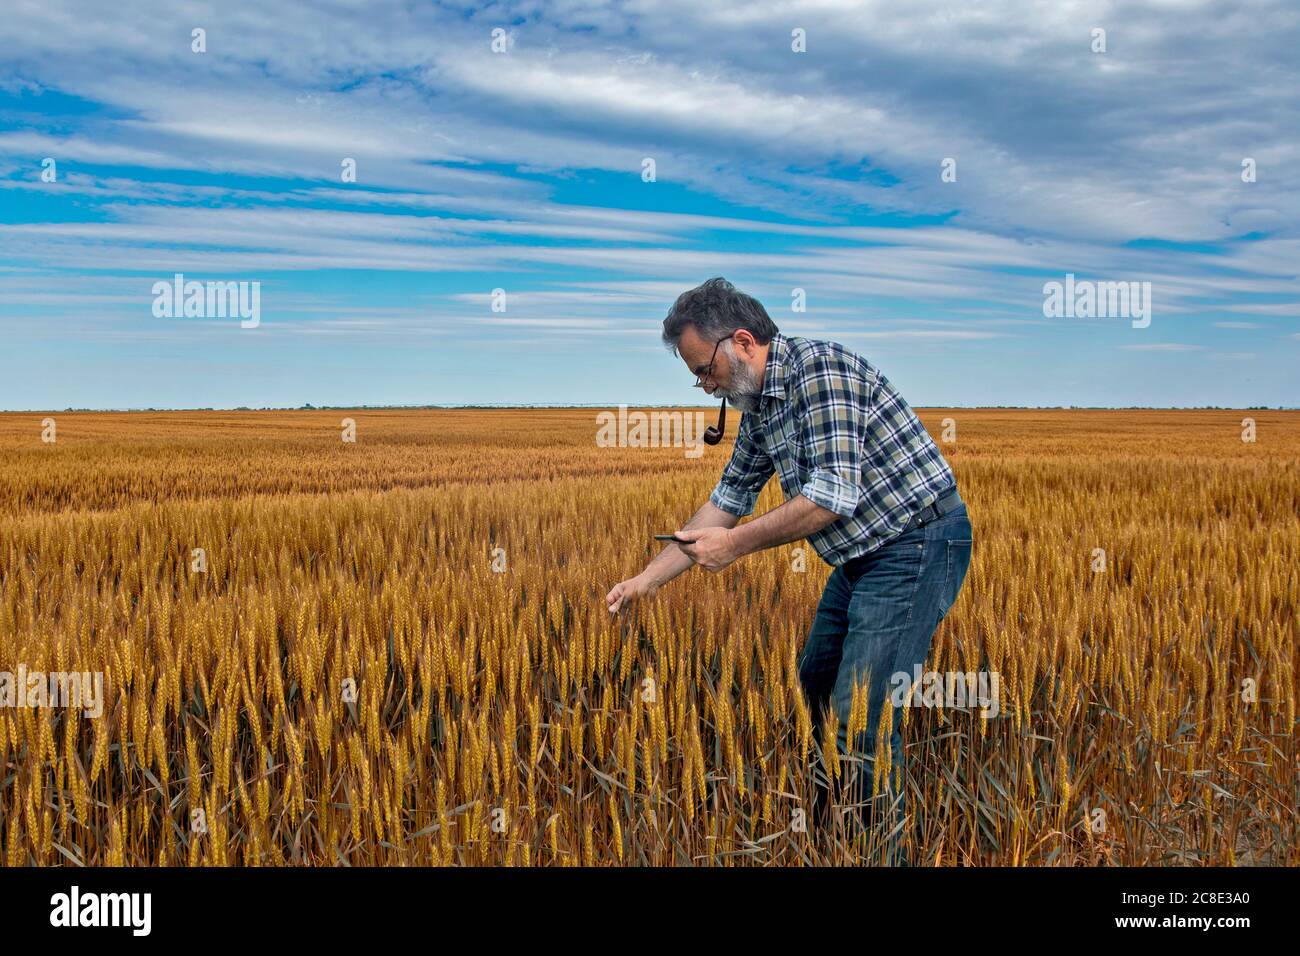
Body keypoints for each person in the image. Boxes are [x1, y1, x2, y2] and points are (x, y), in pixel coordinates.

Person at [605, 277, 973, 865]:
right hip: (861, 555)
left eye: (705, 370)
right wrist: (646, 580)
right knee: (815, 693)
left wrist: (735, 547)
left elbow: (831, 498)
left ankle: (881, 855)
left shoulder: (820, 374)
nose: (705, 387)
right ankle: (837, 841)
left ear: (741, 342)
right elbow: (724, 504)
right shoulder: (757, 410)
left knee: (863, 715)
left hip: (918, 541)